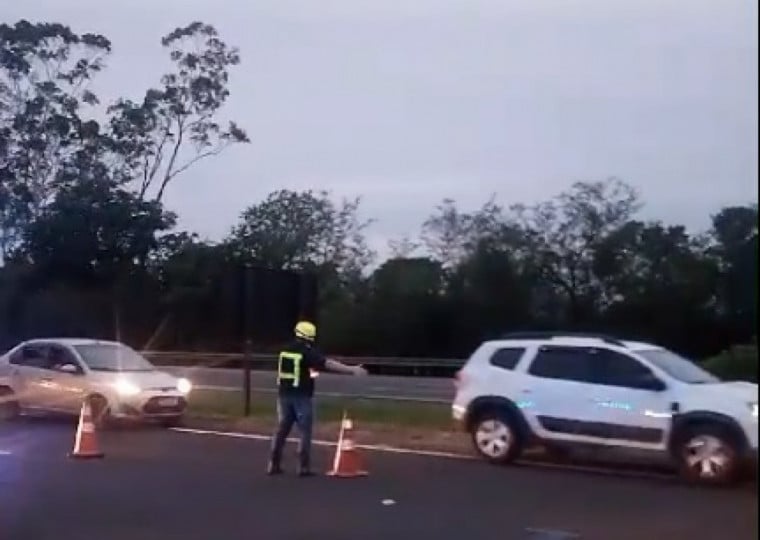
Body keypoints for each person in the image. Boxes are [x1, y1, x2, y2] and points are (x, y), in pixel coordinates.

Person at [267, 320, 367, 476]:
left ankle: (273, 463)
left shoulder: (285, 349)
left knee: (281, 430)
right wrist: (351, 370)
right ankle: (303, 466)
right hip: (302, 395)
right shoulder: (306, 352)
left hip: (284, 394)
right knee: (305, 430)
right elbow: (326, 363)